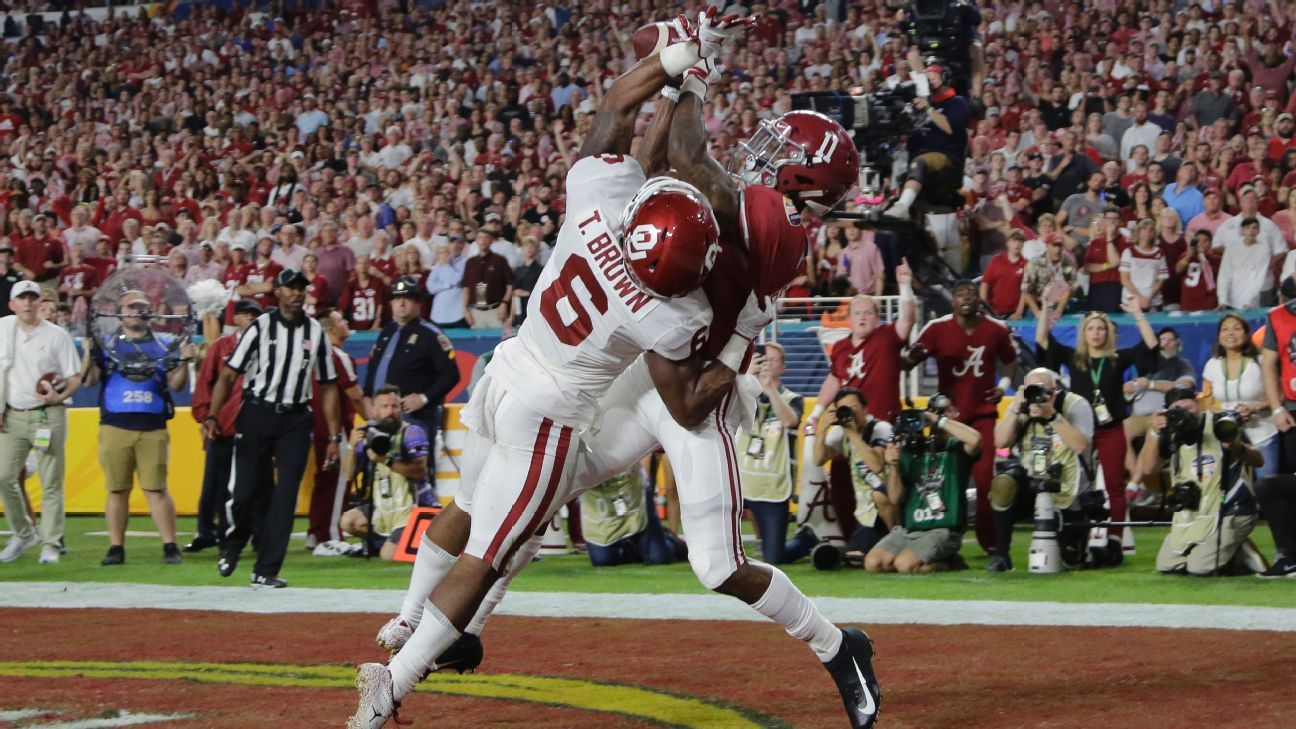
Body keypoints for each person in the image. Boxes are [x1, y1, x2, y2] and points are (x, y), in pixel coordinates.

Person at [355, 28, 879, 729]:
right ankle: (459, 626)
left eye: (781, 156)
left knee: (718, 565)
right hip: (647, 363)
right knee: (533, 497)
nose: (761, 155)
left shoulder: (761, 223)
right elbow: (677, 154)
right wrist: (685, 76)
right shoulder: (728, 206)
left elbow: (675, 156)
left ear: (804, 188)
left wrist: (683, 71)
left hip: (702, 389)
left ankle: (839, 645)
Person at [202, 269, 342, 588]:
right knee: (244, 492)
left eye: (301, 289)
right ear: (276, 292)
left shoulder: (315, 333)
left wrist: (333, 436)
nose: (296, 293)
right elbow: (228, 374)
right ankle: (233, 544)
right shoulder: (260, 327)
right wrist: (213, 416)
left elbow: (329, 385)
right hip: (257, 413)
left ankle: (266, 568)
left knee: (286, 493)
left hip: (295, 418)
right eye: (290, 288)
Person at [1037, 298, 1159, 564]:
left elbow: (1151, 346)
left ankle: (1114, 540)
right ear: (1084, 333)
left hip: (1111, 429)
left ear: (1108, 333)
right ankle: (1077, 539)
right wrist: (1046, 308)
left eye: (1101, 328)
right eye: (1091, 328)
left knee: (1114, 487)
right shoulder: (1074, 357)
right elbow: (1044, 341)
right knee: (1077, 486)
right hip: (1080, 431)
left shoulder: (1118, 358)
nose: (1096, 333)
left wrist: (1138, 313)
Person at [81, 289, 196, 566]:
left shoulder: (165, 342)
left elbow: (176, 385)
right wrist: (88, 353)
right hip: (115, 424)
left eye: (142, 306)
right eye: (131, 306)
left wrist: (183, 362)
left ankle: (170, 545)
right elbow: (88, 381)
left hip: (152, 426)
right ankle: (116, 547)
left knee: (156, 488)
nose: (137, 311)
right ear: (120, 311)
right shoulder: (107, 343)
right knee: (117, 489)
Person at [909, 280, 1019, 554]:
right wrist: (913, 356)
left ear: (980, 298)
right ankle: (946, 537)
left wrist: (1003, 387)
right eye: (961, 294)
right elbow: (907, 360)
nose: (967, 298)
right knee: (949, 481)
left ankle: (990, 541)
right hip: (949, 420)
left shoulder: (995, 329)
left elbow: (1011, 361)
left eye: (971, 293)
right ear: (953, 301)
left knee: (984, 481)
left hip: (983, 416)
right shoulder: (937, 328)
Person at [807, 266, 915, 541]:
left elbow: (907, 320)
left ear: (877, 318)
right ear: (849, 318)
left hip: (881, 426)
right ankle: (850, 536)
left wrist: (904, 286)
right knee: (841, 475)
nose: (863, 317)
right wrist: (818, 412)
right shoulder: (841, 347)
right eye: (858, 313)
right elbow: (834, 379)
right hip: (849, 427)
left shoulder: (887, 337)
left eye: (868, 312)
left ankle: (893, 534)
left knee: (884, 480)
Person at [0, 281, 82, 564]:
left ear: (39, 303)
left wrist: (60, 395)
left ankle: (52, 542)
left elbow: (74, 377)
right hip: (12, 415)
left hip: (48, 415)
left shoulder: (56, 336)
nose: (27, 303)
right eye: (21, 298)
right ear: (12, 305)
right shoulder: (3, 329)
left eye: (32, 298)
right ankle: (24, 532)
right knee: (4, 477)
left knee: (51, 482)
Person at [1139, 385, 1259, 575]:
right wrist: (1153, 432)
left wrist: (1236, 447)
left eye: (1188, 409)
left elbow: (1258, 460)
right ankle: (1229, 546)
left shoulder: (1221, 422)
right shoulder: (1172, 430)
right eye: (1178, 411)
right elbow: (1148, 468)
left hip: (1230, 508)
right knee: (1168, 566)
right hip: (1193, 513)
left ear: (1198, 403)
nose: (1185, 415)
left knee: (1200, 567)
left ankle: (1240, 553)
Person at [362, 275, 461, 497]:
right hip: (382, 416)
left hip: (414, 416)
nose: (402, 303)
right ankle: (382, 521)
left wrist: (424, 398)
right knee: (380, 470)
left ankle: (422, 520)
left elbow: (451, 374)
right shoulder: (386, 333)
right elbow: (372, 370)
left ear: (418, 303)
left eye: (407, 298)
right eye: (397, 299)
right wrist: (368, 400)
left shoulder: (430, 334)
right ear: (391, 303)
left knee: (417, 470)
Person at [988, 367, 1095, 572]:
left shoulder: (1075, 404)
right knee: (1003, 483)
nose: (1036, 396)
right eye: (1030, 390)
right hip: (1032, 479)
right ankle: (1001, 556)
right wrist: (1014, 409)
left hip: (1067, 484)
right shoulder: (1023, 406)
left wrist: (1052, 415)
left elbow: (1080, 445)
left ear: (1054, 390)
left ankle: (1097, 551)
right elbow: (1000, 441)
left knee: (1072, 562)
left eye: (1042, 390)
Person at [863, 398, 982, 573]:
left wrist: (937, 420)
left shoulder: (956, 449)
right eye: (934, 411)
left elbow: (976, 439)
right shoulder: (912, 450)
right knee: (873, 564)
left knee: (904, 565)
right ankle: (937, 559)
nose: (938, 415)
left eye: (945, 410)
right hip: (910, 529)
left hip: (943, 529)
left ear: (956, 413)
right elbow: (895, 499)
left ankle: (951, 564)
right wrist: (893, 466)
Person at [186, 298, 261, 553]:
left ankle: (248, 536)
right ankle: (213, 534)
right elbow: (205, 384)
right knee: (216, 486)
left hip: (254, 429)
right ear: (235, 318)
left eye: (255, 315)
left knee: (250, 486)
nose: (250, 318)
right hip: (223, 428)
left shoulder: (266, 347)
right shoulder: (221, 347)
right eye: (245, 314)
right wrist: (205, 417)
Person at [737, 343, 816, 565]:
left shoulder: (793, 398)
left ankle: (803, 541)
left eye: (773, 360)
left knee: (774, 560)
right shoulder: (741, 391)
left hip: (773, 486)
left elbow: (790, 421)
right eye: (763, 359)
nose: (767, 365)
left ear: (783, 368)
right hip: (741, 482)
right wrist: (746, 377)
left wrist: (770, 388)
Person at [338, 385, 433, 561]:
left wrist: (385, 460)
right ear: (374, 410)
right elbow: (348, 475)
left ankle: (414, 541)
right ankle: (394, 541)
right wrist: (351, 447)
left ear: (401, 409)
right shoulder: (368, 434)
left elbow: (420, 471)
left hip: (413, 509)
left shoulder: (411, 432)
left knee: (388, 556)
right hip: (383, 507)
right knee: (347, 521)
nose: (390, 411)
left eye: (395, 406)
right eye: (385, 407)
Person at [811, 388, 896, 560]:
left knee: (859, 556)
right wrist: (820, 431)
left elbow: (877, 465)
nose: (849, 412)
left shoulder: (881, 428)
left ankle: (896, 543)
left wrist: (852, 433)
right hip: (867, 513)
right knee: (855, 557)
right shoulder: (840, 432)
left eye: (853, 407)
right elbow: (819, 459)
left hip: (890, 505)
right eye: (844, 408)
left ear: (865, 409)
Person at [308, 309, 366, 554]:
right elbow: (356, 397)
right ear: (331, 329)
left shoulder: (311, 354)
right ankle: (330, 536)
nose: (346, 323)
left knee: (323, 482)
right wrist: (375, 420)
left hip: (313, 428)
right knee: (339, 482)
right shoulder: (338, 356)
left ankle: (315, 531)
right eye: (341, 320)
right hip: (336, 429)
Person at [885, 63, 969, 220]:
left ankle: (902, 207)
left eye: (934, 77)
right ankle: (878, 203)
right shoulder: (919, 105)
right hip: (914, 153)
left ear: (945, 78)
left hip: (944, 155)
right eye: (927, 78)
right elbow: (907, 136)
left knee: (919, 162)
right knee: (887, 154)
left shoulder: (956, 102)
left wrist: (929, 109)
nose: (930, 81)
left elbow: (950, 127)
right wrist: (896, 141)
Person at [1203, 315, 1278, 481]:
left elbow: (1279, 397)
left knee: (1266, 487)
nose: (1230, 333)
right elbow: (1207, 402)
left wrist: (1255, 408)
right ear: (1219, 336)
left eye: (1237, 328)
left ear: (1246, 335)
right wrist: (1223, 414)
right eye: (1225, 329)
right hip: (1228, 434)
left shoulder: (1260, 362)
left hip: (1262, 431)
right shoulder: (1212, 365)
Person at [580, 464, 686, 567]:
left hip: (632, 494)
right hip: (599, 508)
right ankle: (632, 547)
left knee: (658, 558)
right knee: (603, 560)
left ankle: (671, 541)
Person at [461, 229, 513, 328]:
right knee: (477, 342)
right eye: (480, 238)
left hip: (495, 311)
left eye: (486, 238)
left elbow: (510, 285)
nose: (483, 241)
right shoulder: (470, 263)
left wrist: (504, 304)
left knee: (500, 342)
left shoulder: (500, 260)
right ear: (476, 241)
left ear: (491, 241)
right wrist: (465, 309)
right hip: (476, 312)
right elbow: (466, 287)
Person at [1119, 218, 1169, 310]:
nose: (1147, 232)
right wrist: (1140, 298)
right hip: (1131, 303)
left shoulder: (1159, 253)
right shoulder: (1129, 252)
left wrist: (1149, 298)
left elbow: (1161, 279)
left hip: (1154, 302)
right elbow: (1125, 280)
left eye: (1151, 229)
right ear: (1139, 231)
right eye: (1144, 229)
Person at [979, 230, 1027, 319]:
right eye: (1014, 241)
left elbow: (1025, 291)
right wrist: (985, 309)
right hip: (992, 311)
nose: (1017, 244)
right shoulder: (996, 260)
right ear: (1007, 243)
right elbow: (985, 284)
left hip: (1013, 313)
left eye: (1020, 241)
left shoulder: (1026, 264)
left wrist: (1018, 313)